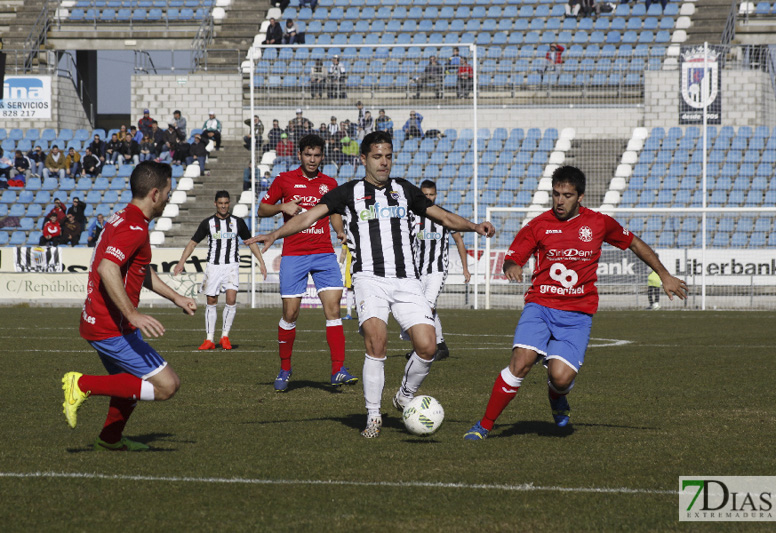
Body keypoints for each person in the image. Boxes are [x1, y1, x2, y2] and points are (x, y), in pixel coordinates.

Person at [245, 131, 495, 438]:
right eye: (377, 157)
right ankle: (374, 415)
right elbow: (309, 217)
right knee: (377, 341)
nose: (384, 162)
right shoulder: (347, 192)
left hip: (405, 279)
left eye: (388, 156)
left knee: (428, 346)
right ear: (364, 159)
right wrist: (274, 235)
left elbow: (440, 216)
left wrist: (473, 226)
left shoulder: (404, 189)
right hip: (368, 278)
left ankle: (404, 395)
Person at [463, 165, 688, 440]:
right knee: (521, 362)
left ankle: (557, 397)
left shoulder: (599, 223)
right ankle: (484, 425)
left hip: (577, 314)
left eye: (567, 195)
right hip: (541, 306)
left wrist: (664, 275)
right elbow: (514, 256)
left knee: (560, 377)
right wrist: (512, 266)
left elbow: (634, 244)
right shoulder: (537, 225)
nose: (559, 200)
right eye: (556, 194)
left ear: (580, 197)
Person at [62, 160, 197, 451]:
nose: (169, 198)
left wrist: (176, 298)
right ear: (155, 194)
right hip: (111, 326)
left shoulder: (122, 217)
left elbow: (139, 269)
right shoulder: (135, 227)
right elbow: (108, 268)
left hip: (101, 322)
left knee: (129, 382)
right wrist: (132, 314)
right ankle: (81, 384)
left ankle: (110, 438)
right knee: (166, 386)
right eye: (168, 192)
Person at [255, 134, 356, 392]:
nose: (312, 160)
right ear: (299, 155)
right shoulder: (284, 179)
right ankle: (285, 368)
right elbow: (262, 209)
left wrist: (340, 231)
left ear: (322, 157)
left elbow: (333, 213)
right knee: (290, 313)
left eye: (317, 155)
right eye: (308, 155)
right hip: (294, 254)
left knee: (333, 310)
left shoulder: (329, 183)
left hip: (323, 253)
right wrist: (283, 207)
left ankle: (338, 370)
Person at [174, 191, 267, 350]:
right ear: (215, 204)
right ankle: (209, 339)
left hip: (231, 266)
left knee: (231, 299)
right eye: (220, 203)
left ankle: (225, 336)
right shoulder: (207, 223)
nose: (223, 206)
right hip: (213, 267)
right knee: (211, 301)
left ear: (229, 203)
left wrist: (261, 262)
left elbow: (251, 243)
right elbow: (192, 243)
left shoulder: (238, 222)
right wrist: (181, 262)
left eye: (226, 203)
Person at [403, 179, 471, 362]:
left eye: (431, 194)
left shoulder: (444, 216)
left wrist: (465, 268)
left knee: (427, 306)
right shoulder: (413, 216)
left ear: (436, 195)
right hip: (417, 271)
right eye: (425, 195)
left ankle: (425, 348)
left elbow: (459, 241)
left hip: (437, 269)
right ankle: (440, 346)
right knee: (423, 308)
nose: (429, 198)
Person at [339, 243, 356, 320]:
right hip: (349, 270)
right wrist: (340, 264)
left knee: (360, 290)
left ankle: (360, 313)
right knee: (349, 289)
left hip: (359, 268)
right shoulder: (347, 239)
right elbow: (343, 253)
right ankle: (348, 313)